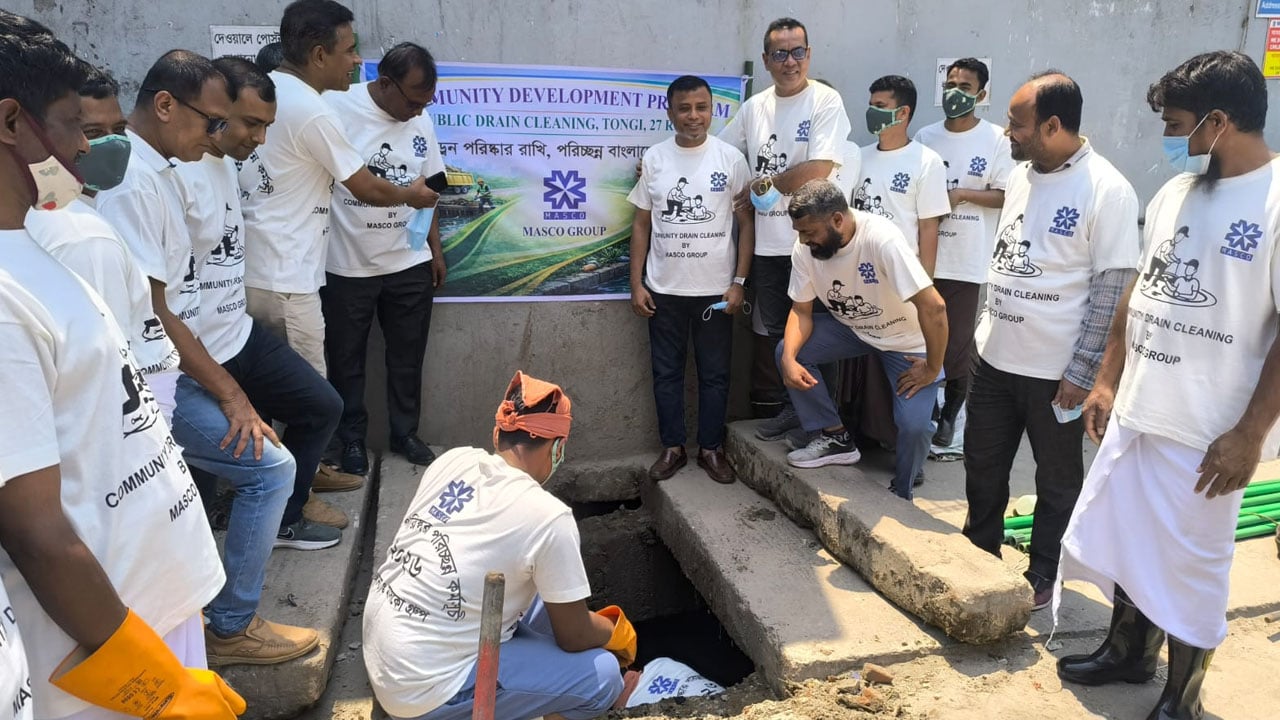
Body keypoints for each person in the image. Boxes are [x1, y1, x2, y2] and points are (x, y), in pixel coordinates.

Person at [0, 12, 241, 719]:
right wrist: (151, 684)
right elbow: (35, 534)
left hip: (151, 606)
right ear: (11, 122)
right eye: (74, 124)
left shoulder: (39, 247)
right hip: (100, 660)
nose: (86, 147)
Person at [1057, 51, 1280, 720]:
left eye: (1179, 123)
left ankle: (1181, 697)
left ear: (1218, 122)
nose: (1172, 138)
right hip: (1140, 411)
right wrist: (1106, 379)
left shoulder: (1274, 203)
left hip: (1209, 432)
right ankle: (1128, 652)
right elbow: (1137, 291)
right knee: (1129, 541)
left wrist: (1250, 433)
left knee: (1191, 568)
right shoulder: (1176, 193)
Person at [961, 71, 1140, 611]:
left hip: (1056, 376)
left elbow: (1112, 292)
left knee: (1057, 478)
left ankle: (1043, 573)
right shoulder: (1023, 176)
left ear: (1053, 125)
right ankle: (978, 555)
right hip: (993, 360)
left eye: (1017, 124)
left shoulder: (1107, 190)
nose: (1007, 134)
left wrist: (1083, 374)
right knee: (982, 465)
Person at [363, 371, 633, 720]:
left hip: (385, 650)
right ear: (557, 447)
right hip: (425, 690)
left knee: (536, 594)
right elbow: (574, 636)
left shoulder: (452, 460)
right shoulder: (549, 516)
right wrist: (615, 632)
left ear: (496, 432)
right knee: (603, 676)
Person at [238, 0, 438, 376]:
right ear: (318, 55)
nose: (357, 60)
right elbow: (366, 188)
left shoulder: (271, 90)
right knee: (312, 402)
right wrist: (410, 196)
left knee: (271, 392)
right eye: (349, 50)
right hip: (288, 279)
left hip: (260, 269)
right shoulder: (314, 110)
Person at [775, 180, 947, 500]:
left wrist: (933, 366)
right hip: (854, 329)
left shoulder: (882, 239)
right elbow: (801, 311)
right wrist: (787, 361)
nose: (803, 240)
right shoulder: (805, 249)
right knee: (789, 350)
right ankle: (835, 436)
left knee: (914, 427)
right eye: (799, 232)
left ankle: (902, 491)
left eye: (810, 232)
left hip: (905, 341)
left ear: (838, 220)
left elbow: (934, 307)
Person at [323, 43, 448, 473]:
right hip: (346, 263)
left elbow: (429, 189)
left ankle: (405, 433)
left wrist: (434, 249)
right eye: (412, 101)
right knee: (345, 360)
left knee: (407, 356)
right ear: (384, 83)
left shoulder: (422, 119)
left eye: (424, 103)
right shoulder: (335, 108)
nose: (417, 111)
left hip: (407, 263)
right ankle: (350, 440)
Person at [720, 17, 852, 423]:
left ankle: (825, 424)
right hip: (768, 246)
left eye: (797, 52)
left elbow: (820, 167)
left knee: (817, 337)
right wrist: (660, 162)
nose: (789, 62)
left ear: (808, 55)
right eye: (780, 53)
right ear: (766, 59)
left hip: (813, 246)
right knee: (779, 336)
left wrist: (767, 183)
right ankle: (793, 413)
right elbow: (719, 152)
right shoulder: (754, 108)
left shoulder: (825, 101)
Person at [629, 75, 754, 484]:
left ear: (713, 111)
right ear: (670, 112)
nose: (693, 116)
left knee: (715, 374)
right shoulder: (655, 159)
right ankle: (673, 447)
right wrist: (636, 283)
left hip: (715, 292)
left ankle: (712, 449)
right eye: (684, 108)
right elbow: (642, 224)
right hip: (664, 289)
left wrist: (739, 281)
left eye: (701, 107)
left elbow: (745, 223)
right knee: (666, 373)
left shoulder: (730, 159)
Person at [914, 58, 1014, 448]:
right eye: (950, 84)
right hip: (925, 256)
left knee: (955, 344)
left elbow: (1006, 194)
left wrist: (960, 195)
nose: (956, 92)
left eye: (966, 87)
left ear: (981, 94)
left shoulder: (996, 140)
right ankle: (926, 410)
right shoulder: (925, 136)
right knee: (920, 336)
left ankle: (949, 414)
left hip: (967, 261)